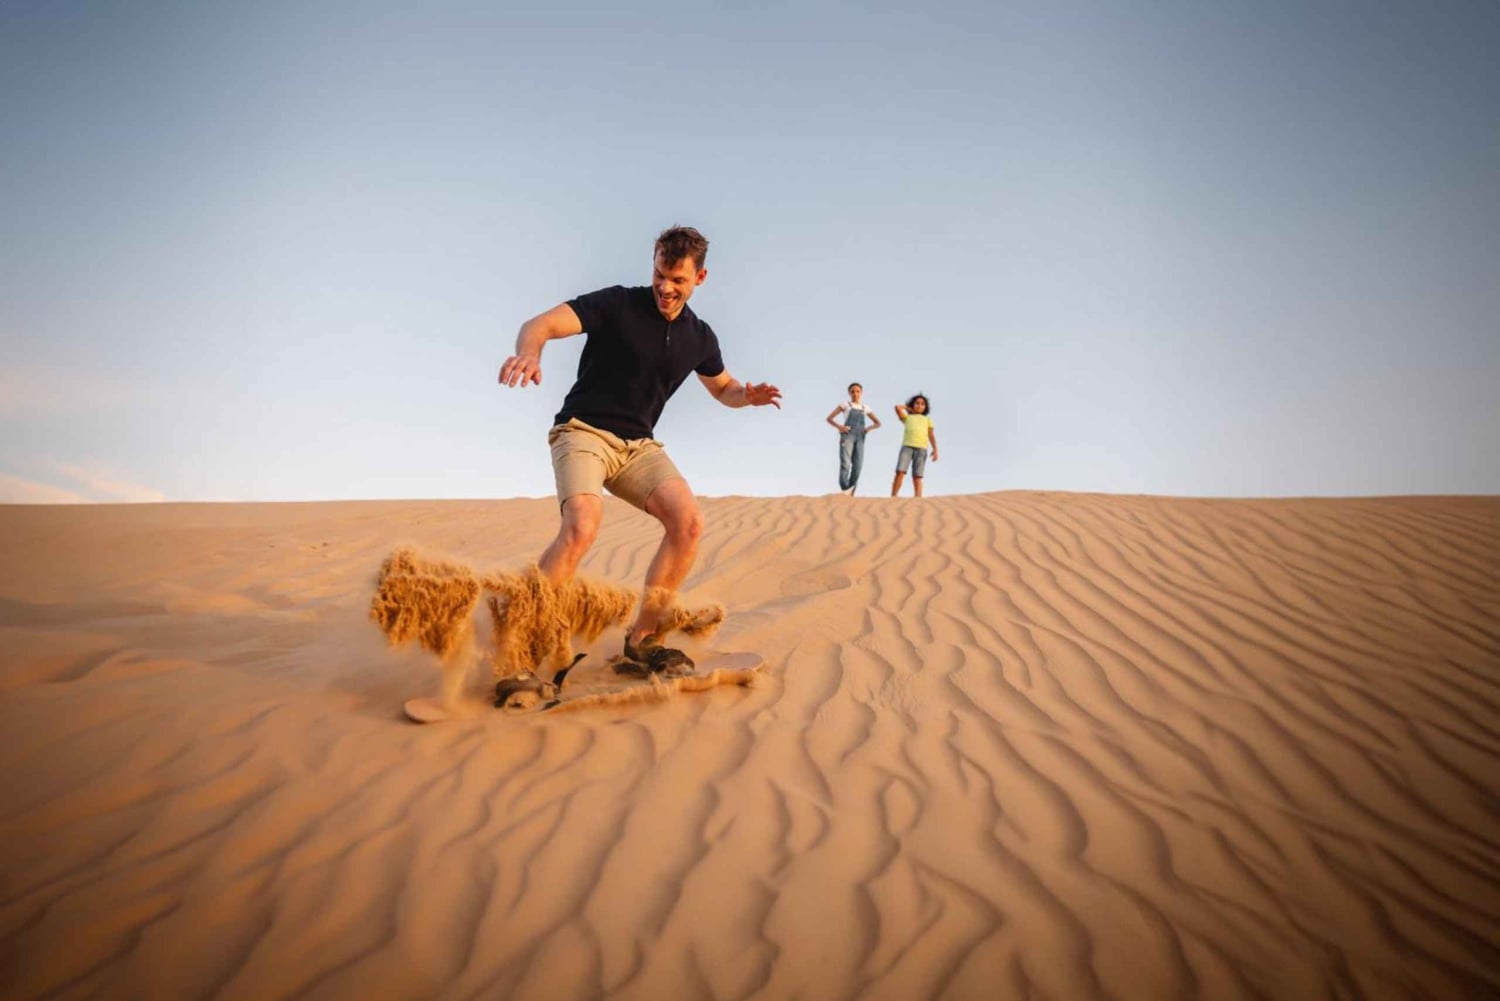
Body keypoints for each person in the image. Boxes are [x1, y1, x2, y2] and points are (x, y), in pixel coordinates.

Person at [498, 226, 782, 671]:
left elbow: (722, 388)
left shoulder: (700, 337)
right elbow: (539, 325)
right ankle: (518, 645)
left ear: (700, 278)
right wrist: (530, 353)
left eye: (678, 280)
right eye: (659, 275)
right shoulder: (617, 304)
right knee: (582, 526)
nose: (665, 288)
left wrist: (747, 396)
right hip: (583, 432)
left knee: (688, 524)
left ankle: (643, 639)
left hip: (638, 447)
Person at [825, 382, 882, 495]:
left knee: (858, 465)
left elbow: (878, 423)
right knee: (845, 464)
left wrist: (868, 429)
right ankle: (845, 489)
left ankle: (850, 490)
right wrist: (840, 427)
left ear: (861, 393)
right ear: (849, 393)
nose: (855, 394)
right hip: (847, 436)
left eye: (857, 391)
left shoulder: (865, 408)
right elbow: (829, 418)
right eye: (852, 391)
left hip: (860, 437)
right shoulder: (845, 405)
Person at [891, 393, 938, 497]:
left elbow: (931, 435)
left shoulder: (927, 419)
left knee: (917, 476)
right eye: (917, 403)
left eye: (922, 404)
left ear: (925, 407)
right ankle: (893, 496)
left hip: (921, 449)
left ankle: (918, 499)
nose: (919, 405)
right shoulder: (908, 417)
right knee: (900, 472)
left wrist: (935, 449)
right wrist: (908, 408)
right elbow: (897, 407)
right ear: (913, 405)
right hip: (907, 447)